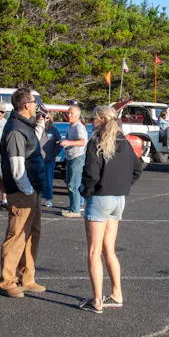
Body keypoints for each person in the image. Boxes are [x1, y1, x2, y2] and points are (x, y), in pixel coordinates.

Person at [78, 106, 143, 313]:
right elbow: (137, 168)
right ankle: (116, 294)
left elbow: (91, 174)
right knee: (109, 249)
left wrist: (85, 191)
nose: (90, 122)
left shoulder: (96, 141)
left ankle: (97, 300)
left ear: (100, 120)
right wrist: (123, 185)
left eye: (92, 119)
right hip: (118, 199)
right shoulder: (124, 141)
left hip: (100, 198)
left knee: (94, 251)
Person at [0, 88, 46, 298]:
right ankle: (7, 281)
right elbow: (17, 167)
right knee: (16, 235)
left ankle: (27, 277)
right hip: (22, 190)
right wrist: (28, 191)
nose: (37, 106)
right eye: (35, 102)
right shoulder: (16, 130)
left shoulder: (25, 126)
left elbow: (31, 149)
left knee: (31, 234)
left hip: (31, 188)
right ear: (26, 105)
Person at [60, 106, 88, 217]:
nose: (69, 115)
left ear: (78, 115)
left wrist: (68, 142)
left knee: (74, 184)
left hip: (77, 157)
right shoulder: (71, 126)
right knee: (70, 183)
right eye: (68, 113)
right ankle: (74, 206)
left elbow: (82, 142)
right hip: (70, 157)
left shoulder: (79, 127)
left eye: (71, 113)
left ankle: (75, 210)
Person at [39, 113, 62, 208]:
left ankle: (48, 199)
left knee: (48, 179)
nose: (45, 119)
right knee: (36, 179)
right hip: (37, 159)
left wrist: (53, 154)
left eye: (47, 118)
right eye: (44, 117)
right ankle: (36, 198)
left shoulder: (54, 130)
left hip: (49, 159)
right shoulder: (38, 128)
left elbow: (59, 143)